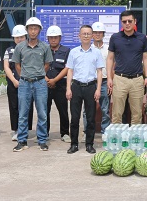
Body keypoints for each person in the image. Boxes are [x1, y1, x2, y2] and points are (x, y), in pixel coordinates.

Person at [12, 17, 53, 152]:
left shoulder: (45, 47)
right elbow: (17, 65)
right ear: (27, 30)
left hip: (40, 83)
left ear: (39, 30)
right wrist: (25, 75)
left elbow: (47, 64)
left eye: (36, 29)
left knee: (42, 112)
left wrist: (38, 74)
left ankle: (42, 140)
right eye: (31, 28)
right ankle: (22, 140)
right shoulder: (20, 47)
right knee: (23, 113)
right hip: (24, 83)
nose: (33, 31)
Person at [65, 25, 104, 154]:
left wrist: (98, 89)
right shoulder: (73, 52)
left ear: (92, 36)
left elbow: (99, 72)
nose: (86, 36)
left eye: (88, 34)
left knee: (91, 118)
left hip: (91, 87)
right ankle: (74, 144)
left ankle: (89, 144)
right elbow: (70, 71)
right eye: (84, 34)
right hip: (76, 86)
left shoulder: (96, 52)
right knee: (74, 118)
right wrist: (68, 88)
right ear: (79, 36)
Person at [107, 10, 147, 125]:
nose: (127, 24)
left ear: (135, 21)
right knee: (117, 114)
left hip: (137, 80)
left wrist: (146, 77)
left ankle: (135, 137)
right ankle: (117, 136)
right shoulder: (115, 38)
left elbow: (146, 58)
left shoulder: (141, 38)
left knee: (137, 115)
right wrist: (110, 78)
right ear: (121, 23)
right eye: (124, 21)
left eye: (130, 21)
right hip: (119, 79)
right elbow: (110, 58)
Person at [3, 25, 33, 141]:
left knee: (27, 106)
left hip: (28, 83)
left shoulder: (31, 49)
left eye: (21, 37)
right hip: (13, 83)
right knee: (14, 106)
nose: (19, 39)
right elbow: (6, 67)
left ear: (25, 37)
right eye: (17, 37)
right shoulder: (9, 50)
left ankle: (25, 130)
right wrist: (14, 81)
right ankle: (16, 130)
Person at [45, 25, 71, 143]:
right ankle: (44, 133)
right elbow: (39, 66)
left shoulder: (66, 51)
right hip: (45, 85)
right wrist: (47, 80)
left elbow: (67, 67)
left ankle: (65, 133)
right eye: (51, 37)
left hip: (60, 85)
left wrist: (54, 80)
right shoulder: (44, 50)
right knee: (44, 110)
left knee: (63, 110)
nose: (53, 39)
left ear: (60, 38)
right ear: (48, 38)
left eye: (56, 37)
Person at [87, 22, 111, 134]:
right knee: (87, 109)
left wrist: (111, 81)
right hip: (90, 82)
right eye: (95, 32)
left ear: (103, 34)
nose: (97, 34)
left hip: (105, 81)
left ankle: (105, 131)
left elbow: (112, 66)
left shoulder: (108, 49)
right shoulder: (88, 49)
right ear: (92, 34)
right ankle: (87, 132)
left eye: (100, 32)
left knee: (105, 109)